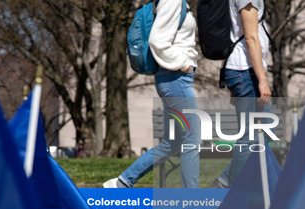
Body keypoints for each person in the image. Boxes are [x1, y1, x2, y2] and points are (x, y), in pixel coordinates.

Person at [104, 0, 200, 188]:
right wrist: (183, 63)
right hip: (176, 78)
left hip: (172, 78)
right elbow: (157, 41)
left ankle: (122, 182)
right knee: (192, 140)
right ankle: (192, 200)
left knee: (172, 143)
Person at [211, 0, 272, 188]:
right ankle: (232, 193)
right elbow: (250, 38)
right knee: (250, 136)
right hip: (245, 72)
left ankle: (224, 184)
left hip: (243, 72)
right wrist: (262, 80)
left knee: (265, 132)